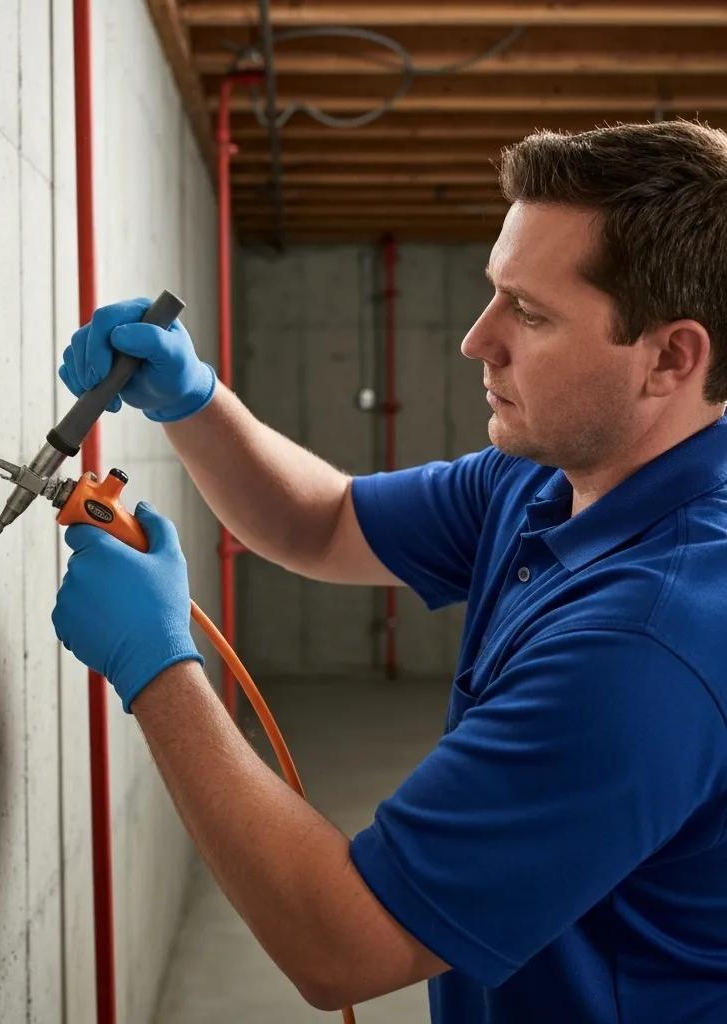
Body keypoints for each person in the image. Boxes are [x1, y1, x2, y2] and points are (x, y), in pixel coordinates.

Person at [51, 120, 727, 1022]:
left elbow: (342, 944)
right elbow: (324, 520)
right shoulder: (553, 474)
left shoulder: (654, 644)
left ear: (672, 358)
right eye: (495, 293)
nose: (477, 339)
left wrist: (159, 669)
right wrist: (194, 400)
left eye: (529, 313)